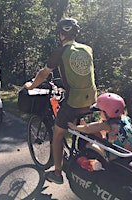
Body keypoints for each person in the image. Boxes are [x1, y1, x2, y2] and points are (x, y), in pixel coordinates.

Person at [24, 18, 97, 184]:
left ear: (61, 35)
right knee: (81, 121)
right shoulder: (87, 49)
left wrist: (30, 86)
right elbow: (80, 73)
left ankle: (57, 173)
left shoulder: (60, 52)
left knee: (58, 135)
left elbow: (44, 73)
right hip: (92, 98)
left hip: (74, 101)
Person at [67, 93, 132, 161]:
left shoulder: (107, 125)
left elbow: (88, 129)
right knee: (96, 132)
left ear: (107, 113)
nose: (99, 113)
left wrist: (75, 127)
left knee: (89, 145)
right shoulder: (124, 119)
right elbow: (93, 128)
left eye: (100, 111)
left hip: (116, 156)